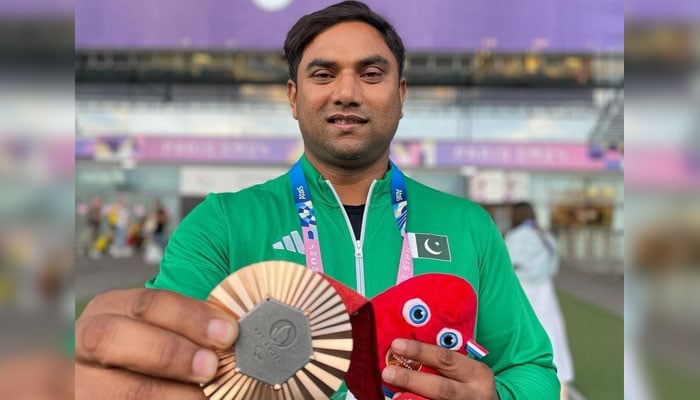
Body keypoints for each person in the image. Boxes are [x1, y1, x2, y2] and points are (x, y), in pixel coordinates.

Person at [75, 2, 559, 399]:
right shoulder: (220, 224)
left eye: (371, 74)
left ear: (401, 93)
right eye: (324, 74)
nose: (346, 92)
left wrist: (497, 397)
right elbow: (163, 367)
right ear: (293, 96)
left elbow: (533, 370)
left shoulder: (468, 224)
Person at [505, 202, 574, 400]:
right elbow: (553, 267)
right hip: (545, 290)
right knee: (553, 339)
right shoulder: (546, 236)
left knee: (521, 341)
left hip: (521, 290)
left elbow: (505, 266)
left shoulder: (515, 237)